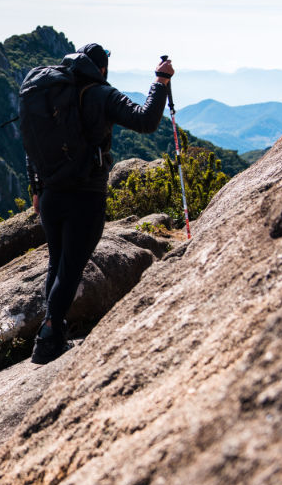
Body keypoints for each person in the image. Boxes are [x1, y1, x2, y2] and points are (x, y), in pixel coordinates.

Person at [27, 44, 173, 364]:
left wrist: (36, 187)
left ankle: (53, 329)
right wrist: (160, 83)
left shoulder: (49, 92)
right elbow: (146, 120)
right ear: (101, 69)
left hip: (51, 194)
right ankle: (48, 337)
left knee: (58, 262)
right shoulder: (102, 94)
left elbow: (32, 141)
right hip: (85, 195)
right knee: (71, 267)